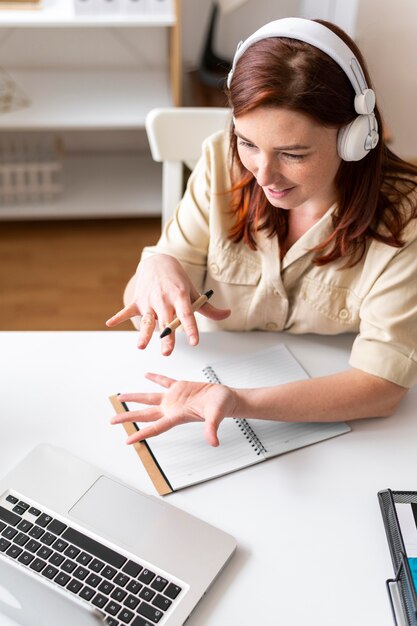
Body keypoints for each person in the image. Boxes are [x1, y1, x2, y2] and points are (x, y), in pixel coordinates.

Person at [106, 17, 417, 447]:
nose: (264, 175)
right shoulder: (221, 160)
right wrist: (154, 268)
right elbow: (145, 310)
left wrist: (239, 403)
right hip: (208, 375)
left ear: (354, 138)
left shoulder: (405, 217)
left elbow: (382, 387)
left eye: (292, 153)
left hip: (332, 411)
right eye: (248, 143)